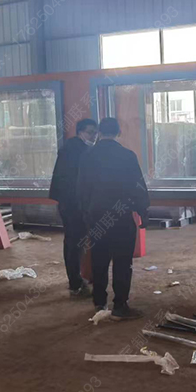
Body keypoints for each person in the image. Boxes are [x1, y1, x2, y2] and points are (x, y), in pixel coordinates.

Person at [77, 117, 150, 320]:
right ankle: (120, 306)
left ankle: (99, 303)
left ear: (100, 132)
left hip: (97, 216)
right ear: (119, 132)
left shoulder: (87, 156)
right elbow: (137, 186)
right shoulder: (127, 155)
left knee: (99, 260)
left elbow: (81, 189)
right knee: (122, 261)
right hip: (121, 216)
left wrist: (86, 213)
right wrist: (142, 211)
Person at [49, 118, 98, 297]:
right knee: (75, 242)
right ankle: (75, 283)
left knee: (73, 241)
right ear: (80, 132)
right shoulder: (80, 151)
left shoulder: (70, 148)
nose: (93, 136)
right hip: (74, 204)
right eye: (90, 132)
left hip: (67, 202)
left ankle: (76, 280)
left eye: (95, 133)